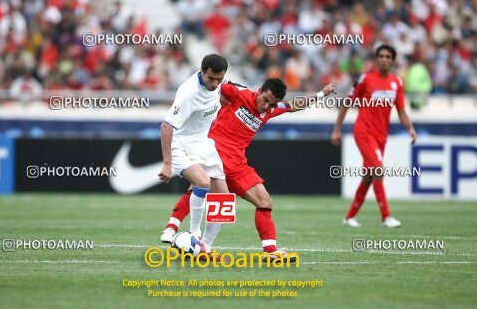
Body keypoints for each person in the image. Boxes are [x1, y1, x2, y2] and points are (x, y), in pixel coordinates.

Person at [161, 77, 338, 261]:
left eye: (272, 104)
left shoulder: (270, 110)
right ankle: (172, 227)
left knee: (264, 201)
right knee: (200, 189)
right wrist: (215, 96)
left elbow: (294, 105)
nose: (266, 106)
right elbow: (213, 84)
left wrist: (321, 94)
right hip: (214, 154)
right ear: (260, 90)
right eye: (265, 100)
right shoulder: (239, 94)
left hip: (238, 165)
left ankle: (269, 251)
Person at [330, 44, 417, 228]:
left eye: (388, 57)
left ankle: (349, 217)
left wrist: (410, 128)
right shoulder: (366, 79)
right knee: (378, 170)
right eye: (381, 56)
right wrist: (337, 129)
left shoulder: (397, 83)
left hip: (381, 136)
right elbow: (347, 103)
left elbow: (401, 111)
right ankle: (386, 217)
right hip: (363, 131)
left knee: (369, 176)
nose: (384, 59)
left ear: (392, 61)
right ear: (377, 59)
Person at [159, 53, 230, 256]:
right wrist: (167, 164)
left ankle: (205, 247)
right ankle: (193, 233)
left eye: (220, 79)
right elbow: (166, 126)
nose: (215, 83)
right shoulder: (189, 93)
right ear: (201, 72)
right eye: (211, 79)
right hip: (181, 144)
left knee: (224, 201)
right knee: (202, 182)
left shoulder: (218, 87)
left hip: (204, 144)